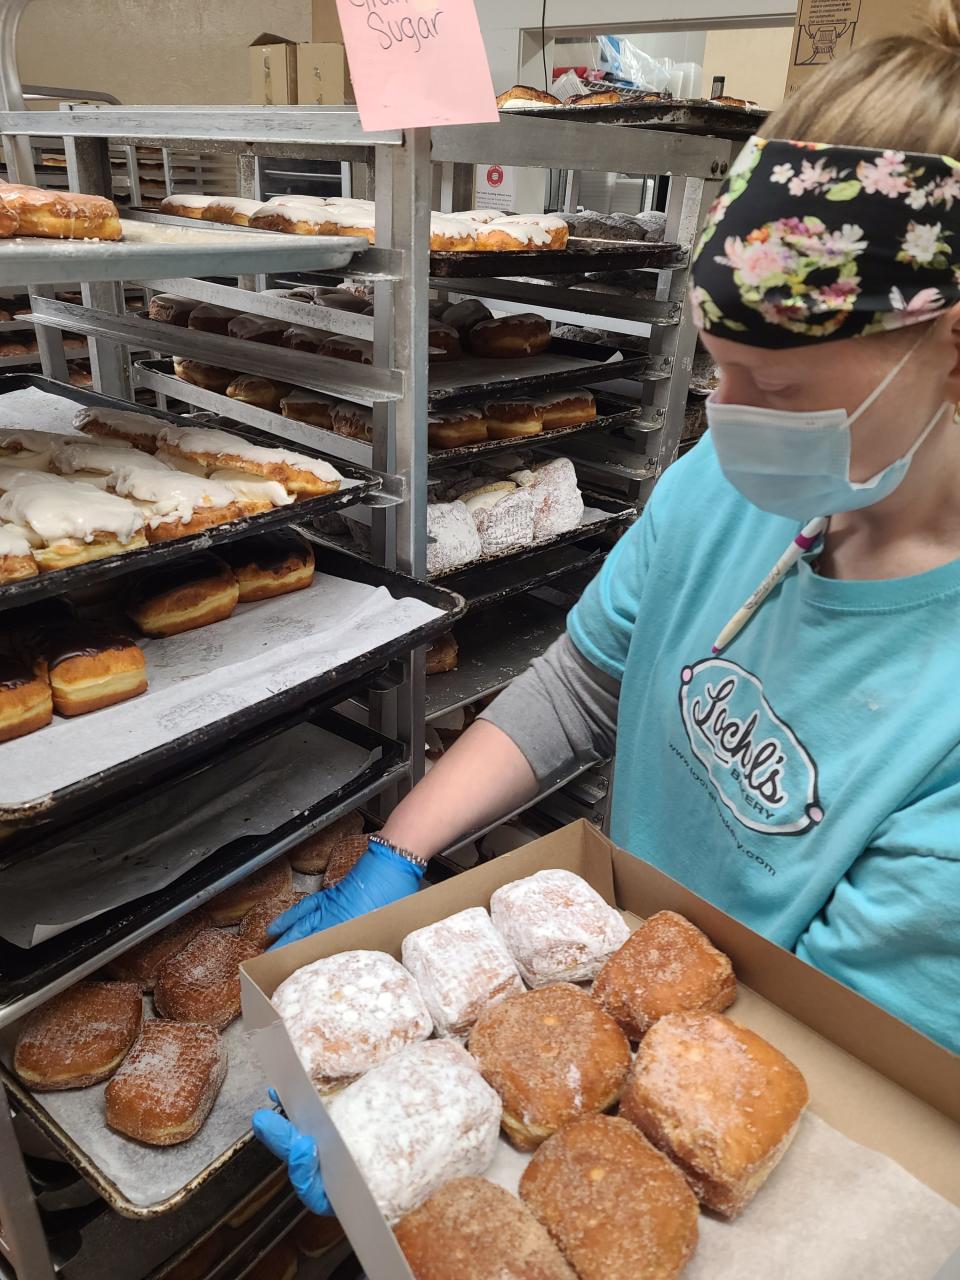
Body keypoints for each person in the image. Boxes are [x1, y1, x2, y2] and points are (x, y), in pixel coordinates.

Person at [255, 0, 960, 1208]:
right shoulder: (725, 486)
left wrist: (454, 1139)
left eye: (773, 384)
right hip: (614, 1001)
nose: (719, 414)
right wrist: (402, 848)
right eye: (714, 365)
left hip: (751, 1117)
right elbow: (587, 682)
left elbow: (823, 1073)